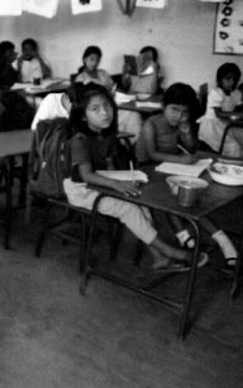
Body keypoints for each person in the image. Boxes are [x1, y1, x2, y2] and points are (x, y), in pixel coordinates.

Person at [63, 83, 208, 272]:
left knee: (141, 205)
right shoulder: (79, 140)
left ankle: (158, 258)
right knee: (128, 208)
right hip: (80, 189)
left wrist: (123, 178)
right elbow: (85, 175)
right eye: (95, 109)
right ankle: (172, 253)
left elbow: (107, 164)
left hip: (100, 182)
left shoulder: (105, 134)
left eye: (107, 106)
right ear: (83, 116)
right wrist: (116, 184)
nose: (104, 113)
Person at [137, 83, 238, 270]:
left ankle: (213, 238)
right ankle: (187, 236)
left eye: (184, 112)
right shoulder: (151, 124)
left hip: (170, 170)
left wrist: (186, 131)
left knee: (191, 196)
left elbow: (191, 148)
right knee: (175, 196)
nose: (179, 115)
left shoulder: (180, 124)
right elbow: (151, 154)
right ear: (163, 106)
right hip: (147, 172)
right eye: (174, 109)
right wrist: (179, 160)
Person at [198, 63, 243, 157]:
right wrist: (239, 114)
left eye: (235, 79)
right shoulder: (216, 93)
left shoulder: (236, 93)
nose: (232, 82)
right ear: (220, 79)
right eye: (228, 79)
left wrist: (239, 113)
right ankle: (231, 168)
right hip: (212, 127)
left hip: (225, 124)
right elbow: (219, 114)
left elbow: (240, 107)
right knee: (234, 147)